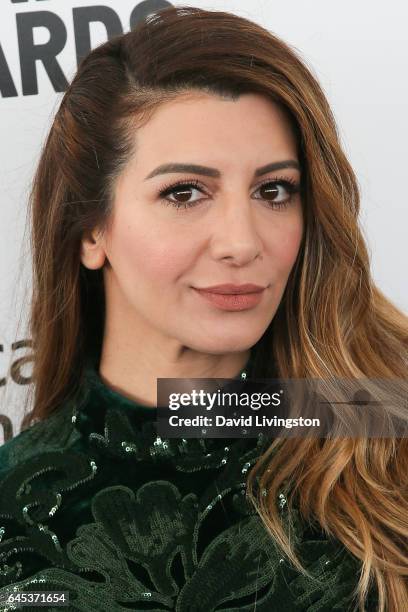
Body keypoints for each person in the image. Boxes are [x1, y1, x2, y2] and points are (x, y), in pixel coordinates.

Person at [0, 5, 406, 611]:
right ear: (91, 230)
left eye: (274, 190)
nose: (242, 243)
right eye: (184, 192)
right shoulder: (13, 501)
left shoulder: (378, 430)